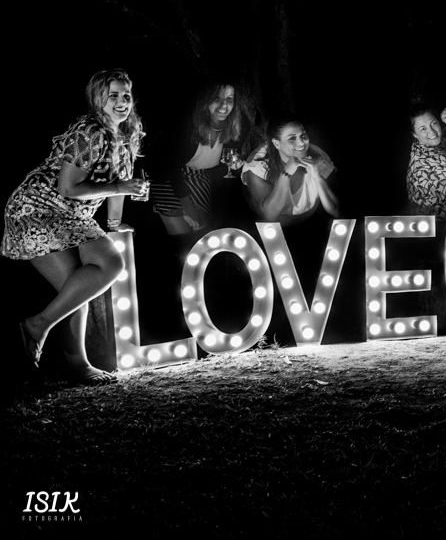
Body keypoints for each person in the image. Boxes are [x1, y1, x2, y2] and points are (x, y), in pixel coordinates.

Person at [3, 68, 148, 385]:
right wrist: (121, 185)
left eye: (126, 95)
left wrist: (115, 221)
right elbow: (68, 187)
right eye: (114, 95)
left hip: (67, 213)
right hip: (37, 207)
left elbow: (116, 186)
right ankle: (37, 325)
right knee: (110, 263)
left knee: (74, 290)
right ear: (99, 98)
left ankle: (77, 365)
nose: (122, 102)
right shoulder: (89, 132)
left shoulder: (123, 136)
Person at [149, 77, 259, 236]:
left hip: (200, 175)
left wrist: (234, 168)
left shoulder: (240, 125)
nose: (224, 105)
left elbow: (226, 164)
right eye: (217, 99)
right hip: (166, 173)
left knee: (202, 228)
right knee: (182, 232)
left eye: (230, 99)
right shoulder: (188, 125)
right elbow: (171, 166)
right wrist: (187, 206)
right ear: (205, 101)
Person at [241, 113, 339, 225]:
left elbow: (335, 211)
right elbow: (270, 215)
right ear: (276, 143)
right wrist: (286, 173)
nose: (302, 143)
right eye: (292, 138)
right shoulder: (257, 168)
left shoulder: (319, 159)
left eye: (303, 135)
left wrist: (317, 176)